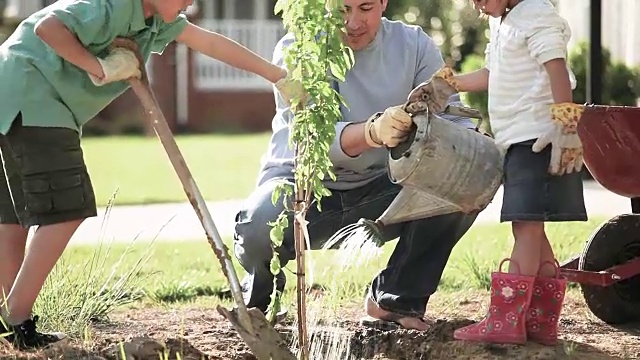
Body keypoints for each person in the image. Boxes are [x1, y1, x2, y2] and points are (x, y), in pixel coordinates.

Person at [0, 0, 303, 351]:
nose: (193, 1)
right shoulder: (110, 5)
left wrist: (277, 76)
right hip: (33, 97)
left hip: (13, 96)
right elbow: (47, 27)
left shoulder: (155, 21)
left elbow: (211, 43)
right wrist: (99, 67)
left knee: (15, 217)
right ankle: (13, 316)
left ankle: (12, 322)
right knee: (68, 207)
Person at [232, 0, 483, 332]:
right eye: (342, 10)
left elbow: (450, 116)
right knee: (257, 228)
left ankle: (395, 299)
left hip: (385, 187)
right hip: (304, 189)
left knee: (464, 178)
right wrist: (371, 131)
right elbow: (311, 139)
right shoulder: (301, 49)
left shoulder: (414, 46)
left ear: (383, 2)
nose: (353, 23)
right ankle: (261, 306)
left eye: (365, 8)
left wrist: (472, 149)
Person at [408, 0, 586, 346]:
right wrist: (450, 85)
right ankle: (539, 321)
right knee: (532, 226)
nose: (477, 4)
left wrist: (567, 124)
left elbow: (557, 68)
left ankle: (505, 320)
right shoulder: (505, 20)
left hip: (538, 137)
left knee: (526, 226)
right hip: (518, 139)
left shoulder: (535, 15)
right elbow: (494, 72)